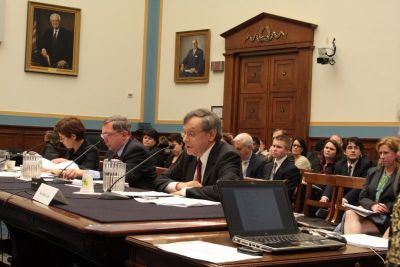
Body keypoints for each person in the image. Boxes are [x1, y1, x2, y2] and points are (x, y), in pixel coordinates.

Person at [154, 108, 242, 201]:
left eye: (191, 134)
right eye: (184, 133)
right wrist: (180, 185)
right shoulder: (189, 154)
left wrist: (186, 192)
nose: (184, 139)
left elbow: (224, 190)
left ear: (211, 134)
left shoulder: (228, 155)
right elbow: (160, 180)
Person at [63, 116, 157, 190]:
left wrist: (85, 173)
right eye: (103, 135)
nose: (104, 139)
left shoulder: (136, 149)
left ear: (124, 135)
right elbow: (103, 173)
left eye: (107, 135)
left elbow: (124, 177)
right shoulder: (112, 150)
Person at [344, 136, 400, 235]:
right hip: (369, 212)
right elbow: (362, 196)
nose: (382, 156)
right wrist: (372, 205)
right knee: (349, 213)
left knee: (349, 229)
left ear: (396, 154)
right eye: (380, 153)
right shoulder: (373, 171)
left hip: (387, 217)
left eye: (386, 153)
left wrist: (385, 206)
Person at [321, 137, 374, 205]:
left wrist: (346, 199)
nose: (353, 151)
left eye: (356, 148)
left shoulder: (367, 165)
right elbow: (333, 181)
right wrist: (325, 196)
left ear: (360, 152)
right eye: (349, 148)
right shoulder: (339, 165)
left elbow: (361, 186)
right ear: (344, 152)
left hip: (358, 202)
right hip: (340, 201)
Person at [262, 134, 300, 200]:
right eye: (273, 146)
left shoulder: (292, 169)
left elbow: (287, 193)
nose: (274, 149)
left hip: (279, 202)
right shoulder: (267, 166)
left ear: (287, 150)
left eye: (279, 147)